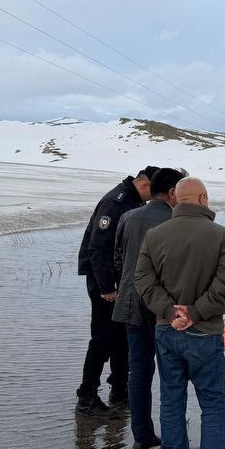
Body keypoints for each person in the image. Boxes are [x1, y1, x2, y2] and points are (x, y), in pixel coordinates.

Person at [134, 177, 225, 449]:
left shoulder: (155, 235)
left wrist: (171, 312)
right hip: (204, 332)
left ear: (177, 199)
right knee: (213, 403)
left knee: (171, 400)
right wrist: (193, 313)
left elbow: (143, 281)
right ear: (203, 198)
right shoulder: (220, 235)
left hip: (167, 331)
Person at [111, 167, 187, 449]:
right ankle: (172, 445)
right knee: (171, 374)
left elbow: (118, 259)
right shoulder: (175, 221)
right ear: (172, 193)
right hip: (163, 308)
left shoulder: (128, 217)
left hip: (131, 303)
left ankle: (142, 438)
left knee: (139, 371)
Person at [75, 165, 158, 418]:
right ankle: (87, 397)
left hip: (120, 282)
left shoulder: (134, 201)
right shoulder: (116, 202)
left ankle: (119, 390)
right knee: (102, 339)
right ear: (144, 185)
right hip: (105, 283)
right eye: (154, 192)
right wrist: (107, 287)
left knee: (122, 337)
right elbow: (98, 248)